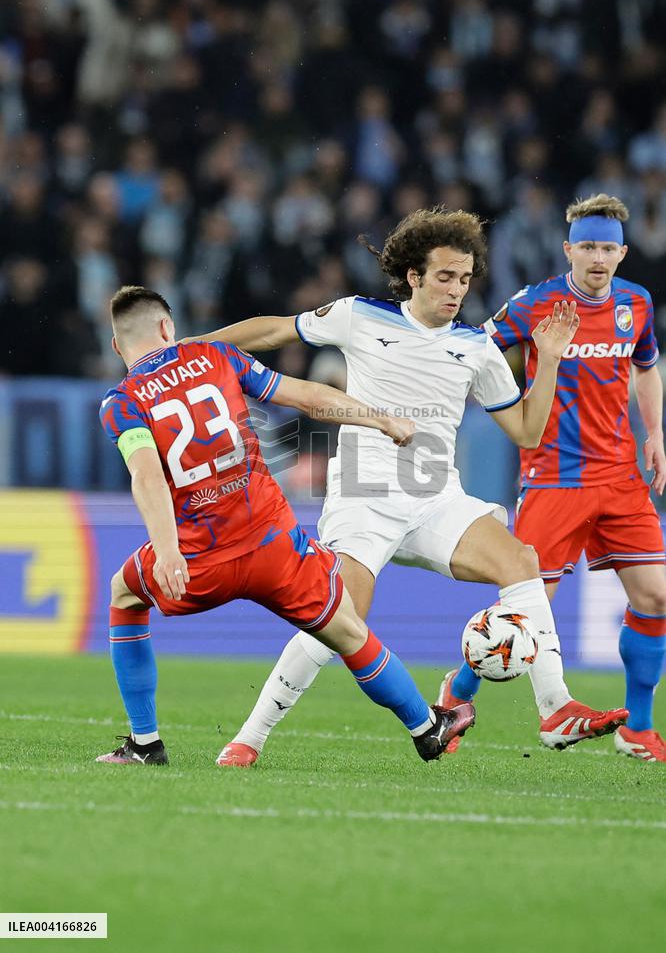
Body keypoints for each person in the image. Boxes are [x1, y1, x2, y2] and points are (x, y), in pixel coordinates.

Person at [184, 206, 626, 768]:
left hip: (437, 500)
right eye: (444, 277)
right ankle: (250, 737)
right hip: (365, 499)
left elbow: (527, 430)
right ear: (414, 276)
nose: (456, 290)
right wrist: (193, 350)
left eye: (465, 279)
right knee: (339, 620)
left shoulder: (477, 347)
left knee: (521, 561)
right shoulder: (358, 317)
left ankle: (556, 708)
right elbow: (272, 328)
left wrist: (550, 363)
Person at [96, 285, 476, 766]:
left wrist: (167, 548)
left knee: (124, 595)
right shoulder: (216, 355)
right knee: (348, 632)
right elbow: (307, 398)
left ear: (117, 346)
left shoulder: (122, 400)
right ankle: (426, 726)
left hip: (200, 557)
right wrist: (378, 419)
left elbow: (147, 473)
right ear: (168, 328)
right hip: (274, 543)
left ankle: (145, 745)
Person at [461, 193, 664, 762]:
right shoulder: (535, 303)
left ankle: (639, 727)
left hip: (622, 477)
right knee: (525, 608)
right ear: (568, 248)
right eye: (587, 247)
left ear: (622, 252)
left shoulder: (637, 304)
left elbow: (646, 368)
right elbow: (475, 351)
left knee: (656, 597)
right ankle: (458, 693)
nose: (597, 258)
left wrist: (656, 435)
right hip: (554, 478)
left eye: (607, 248)